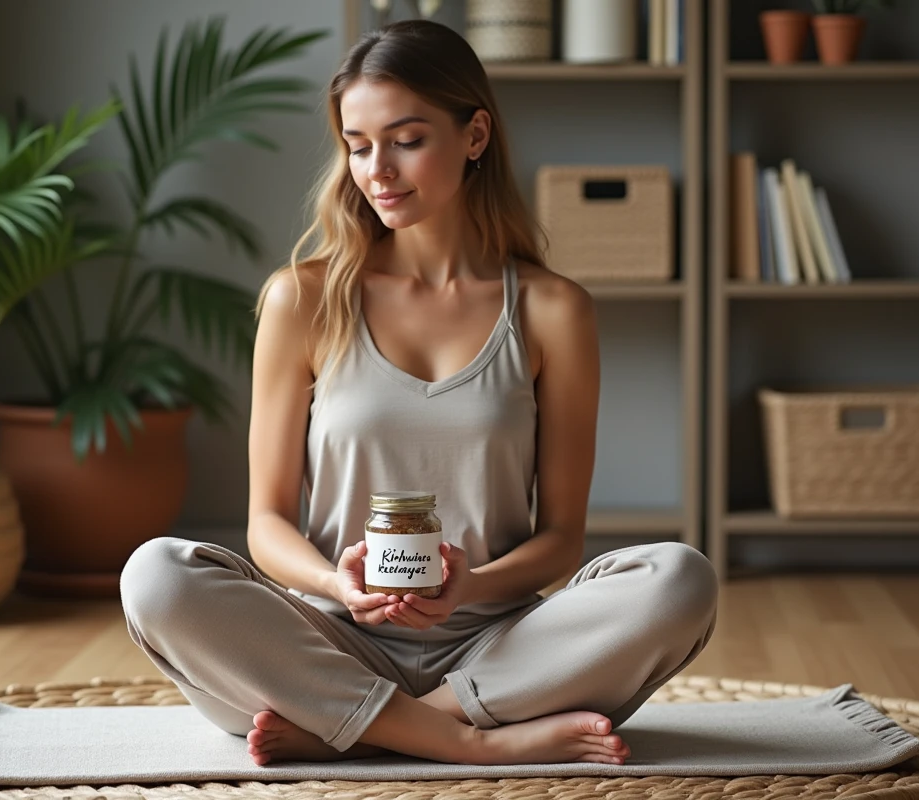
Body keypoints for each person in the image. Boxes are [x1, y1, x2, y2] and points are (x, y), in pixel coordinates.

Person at [119, 18, 718, 769]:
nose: (378, 171)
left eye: (406, 140)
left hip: (498, 651)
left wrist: (469, 589)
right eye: (358, 144)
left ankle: (371, 728)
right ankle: (460, 741)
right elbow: (267, 522)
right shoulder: (300, 300)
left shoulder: (552, 310)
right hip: (328, 643)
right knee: (156, 574)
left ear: (475, 135)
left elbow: (561, 539)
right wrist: (330, 578)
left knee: (679, 579)